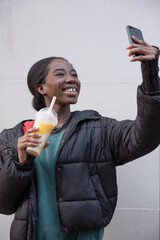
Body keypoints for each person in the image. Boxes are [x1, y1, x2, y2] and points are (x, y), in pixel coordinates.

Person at [0, 36, 160, 240]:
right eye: (60, 74)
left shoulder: (99, 128)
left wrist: (151, 77)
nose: (71, 79)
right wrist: (20, 164)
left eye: (74, 74)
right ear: (41, 88)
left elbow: (145, 137)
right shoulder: (11, 139)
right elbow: (4, 205)